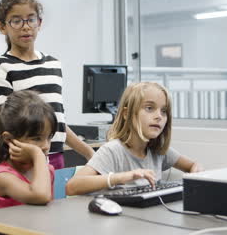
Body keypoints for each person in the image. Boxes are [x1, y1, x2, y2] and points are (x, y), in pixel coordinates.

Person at [0, 0, 94, 169]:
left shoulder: (53, 64)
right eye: (16, 20)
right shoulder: (0, 66)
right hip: (22, 160)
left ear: (39, 23)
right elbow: (4, 124)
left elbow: (57, 123)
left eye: (31, 19)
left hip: (56, 156)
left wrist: (89, 152)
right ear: (2, 26)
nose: (25, 26)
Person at [66, 82, 203, 196]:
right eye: (149, 108)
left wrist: (197, 173)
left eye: (164, 111)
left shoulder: (158, 150)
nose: (159, 116)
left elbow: (192, 165)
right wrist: (123, 177)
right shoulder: (113, 150)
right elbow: (71, 186)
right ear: (127, 113)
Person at [0, 90, 57, 211]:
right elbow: (41, 196)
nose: (46, 146)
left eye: (49, 137)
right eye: (37, 138)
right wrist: (37, 154)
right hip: (5, 230)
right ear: (8, 139)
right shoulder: (2, 176)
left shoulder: (45, 170)